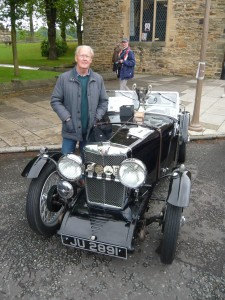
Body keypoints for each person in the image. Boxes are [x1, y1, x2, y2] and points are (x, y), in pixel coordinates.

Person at [51, 45, 108, 156]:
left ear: (91, 60)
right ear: (76, 58)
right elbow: (55, 100)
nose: (84, 59)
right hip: (70, 130)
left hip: (90, 130)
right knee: (66, 163)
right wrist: (67, 118)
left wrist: (97, 117)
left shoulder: (98, 79)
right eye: (82, 55)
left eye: (87, 56)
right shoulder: (64, 78)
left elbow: (104, 101)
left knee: (88, 164)